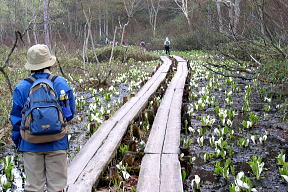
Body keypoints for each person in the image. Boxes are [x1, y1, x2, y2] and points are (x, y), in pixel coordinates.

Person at [10, 44, 76, 192]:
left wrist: (20, 142)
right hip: (57, 142)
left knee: (34, 188)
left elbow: (15, 119)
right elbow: (70, 114)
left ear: (31, 65)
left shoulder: (22, 87)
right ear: (49, 63)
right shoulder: (60, 83)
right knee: (57, 187)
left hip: (30, 144)